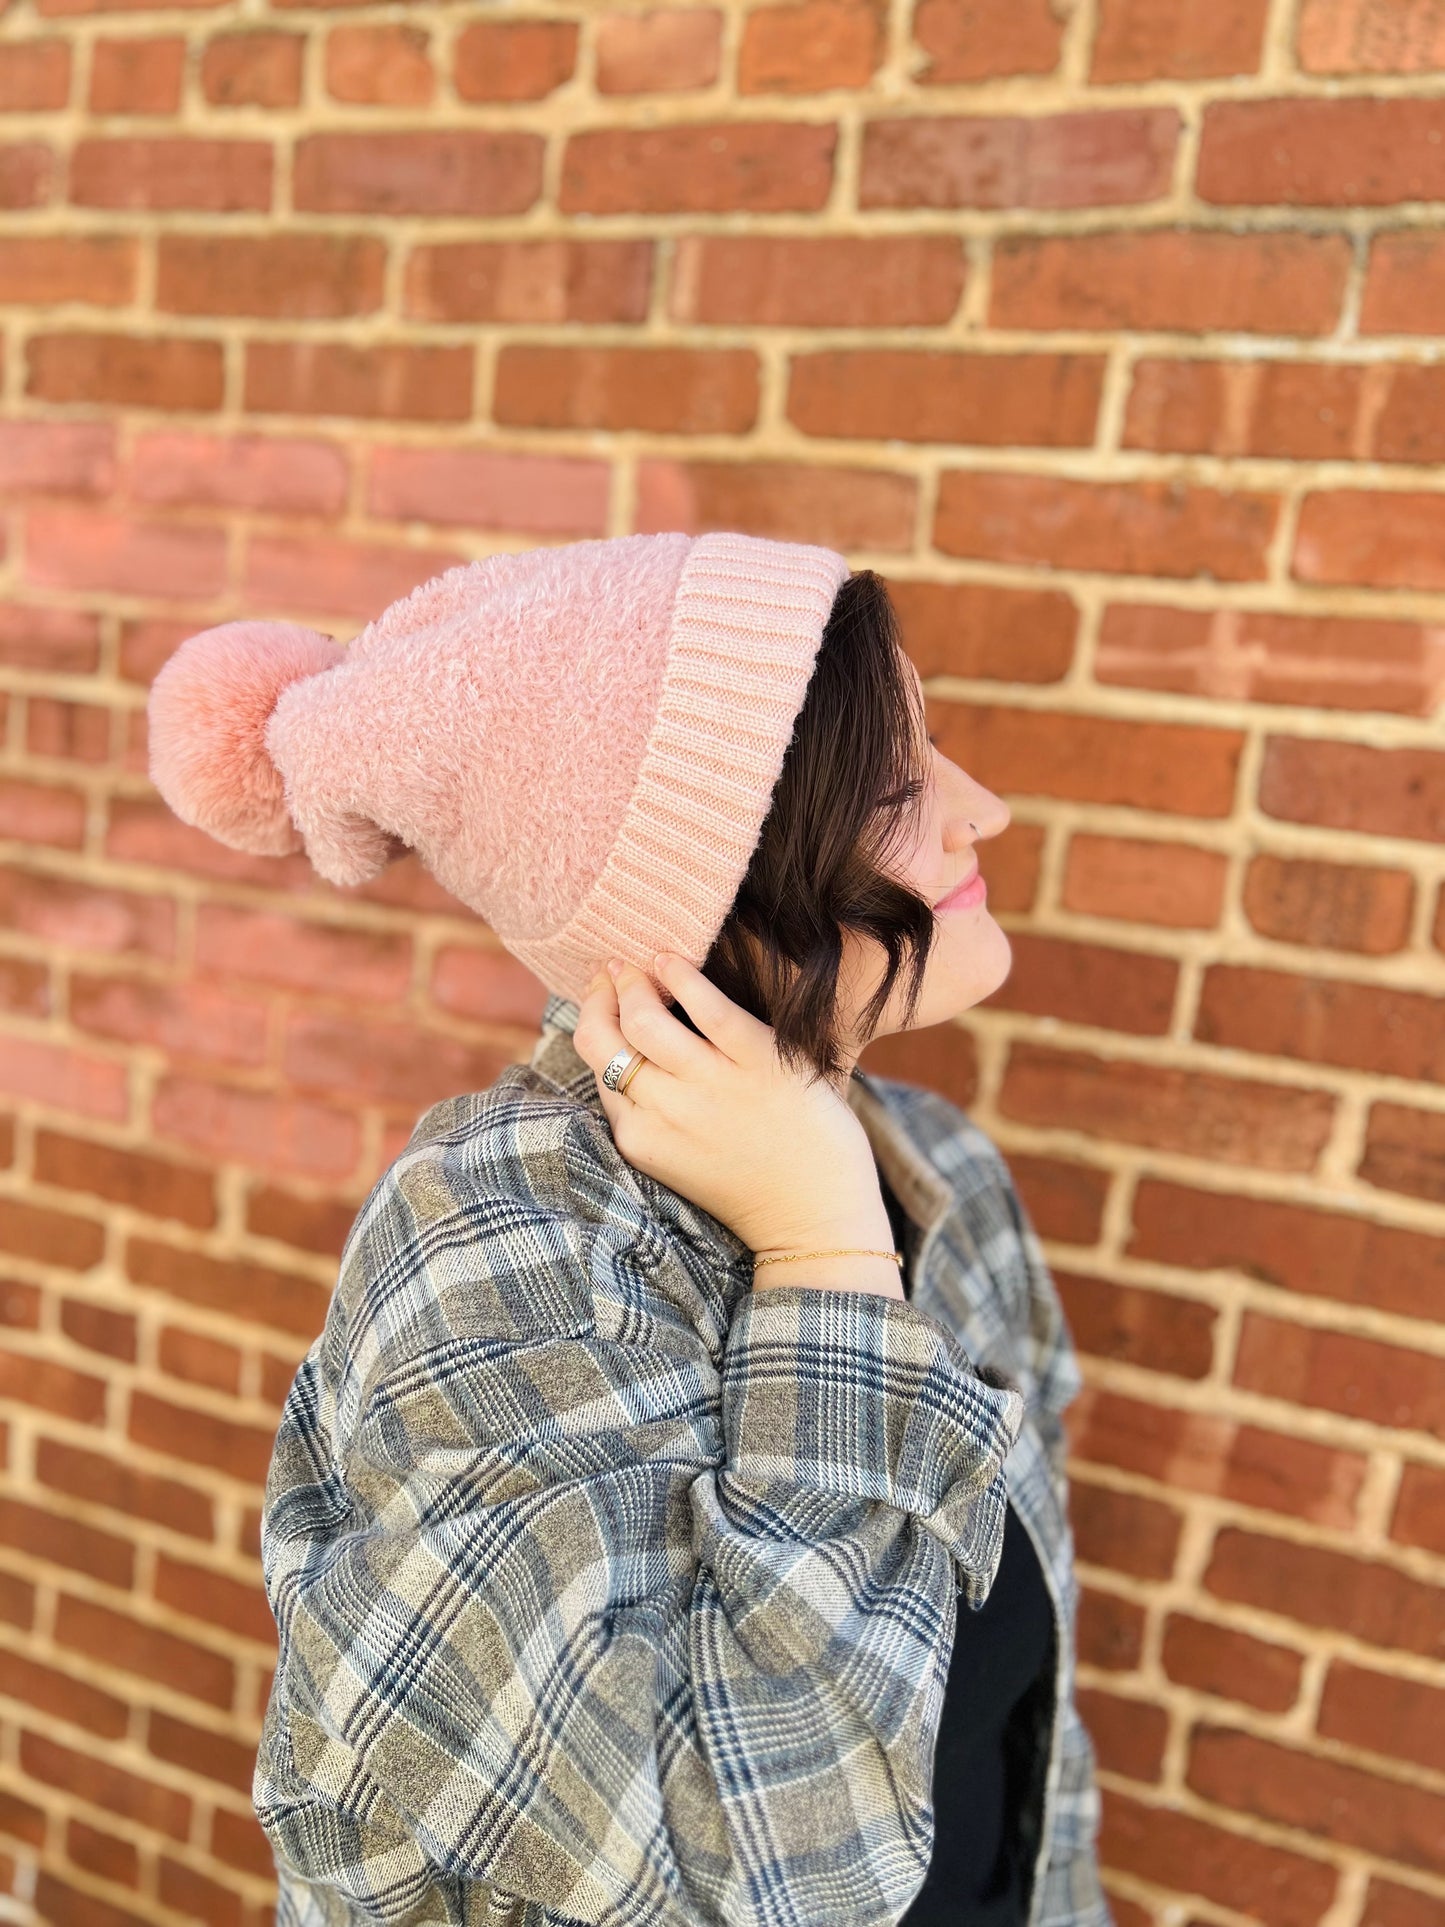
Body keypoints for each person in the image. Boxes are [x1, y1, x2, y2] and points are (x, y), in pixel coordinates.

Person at [146, 530, 1110, 1927]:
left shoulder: (935, 1177)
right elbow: (748, 1873)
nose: (984, 812)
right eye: (895, 781)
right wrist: (823, 1263)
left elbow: (1020, 1764)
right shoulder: (499, 1258)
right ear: (708, 877)